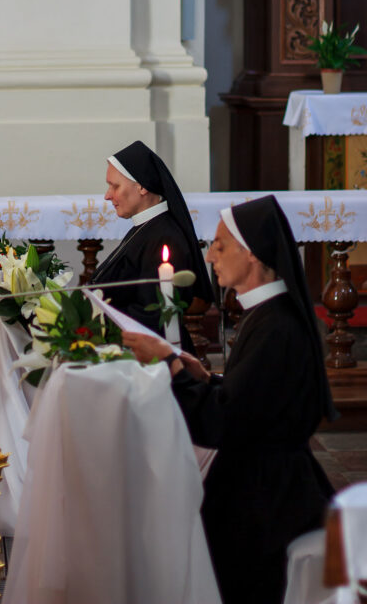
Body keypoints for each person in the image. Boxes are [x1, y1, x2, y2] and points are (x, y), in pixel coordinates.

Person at [123, 194, 336, 604]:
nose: (210, 255)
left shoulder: (275, 326)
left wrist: (170, 365)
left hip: (269, 501)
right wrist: (211, 378)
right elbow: (258, 400)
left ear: (252, 255)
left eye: (220, 244)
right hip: (266, 479)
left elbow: (223, 423)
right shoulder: (268, 315)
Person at [92, 140, 212, 343]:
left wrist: (93, 325)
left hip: (153, 357)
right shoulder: (147, 227)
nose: (107, 196)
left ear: (141, 187)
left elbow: (152, 313)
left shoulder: (165, 237)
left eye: (114, 186)